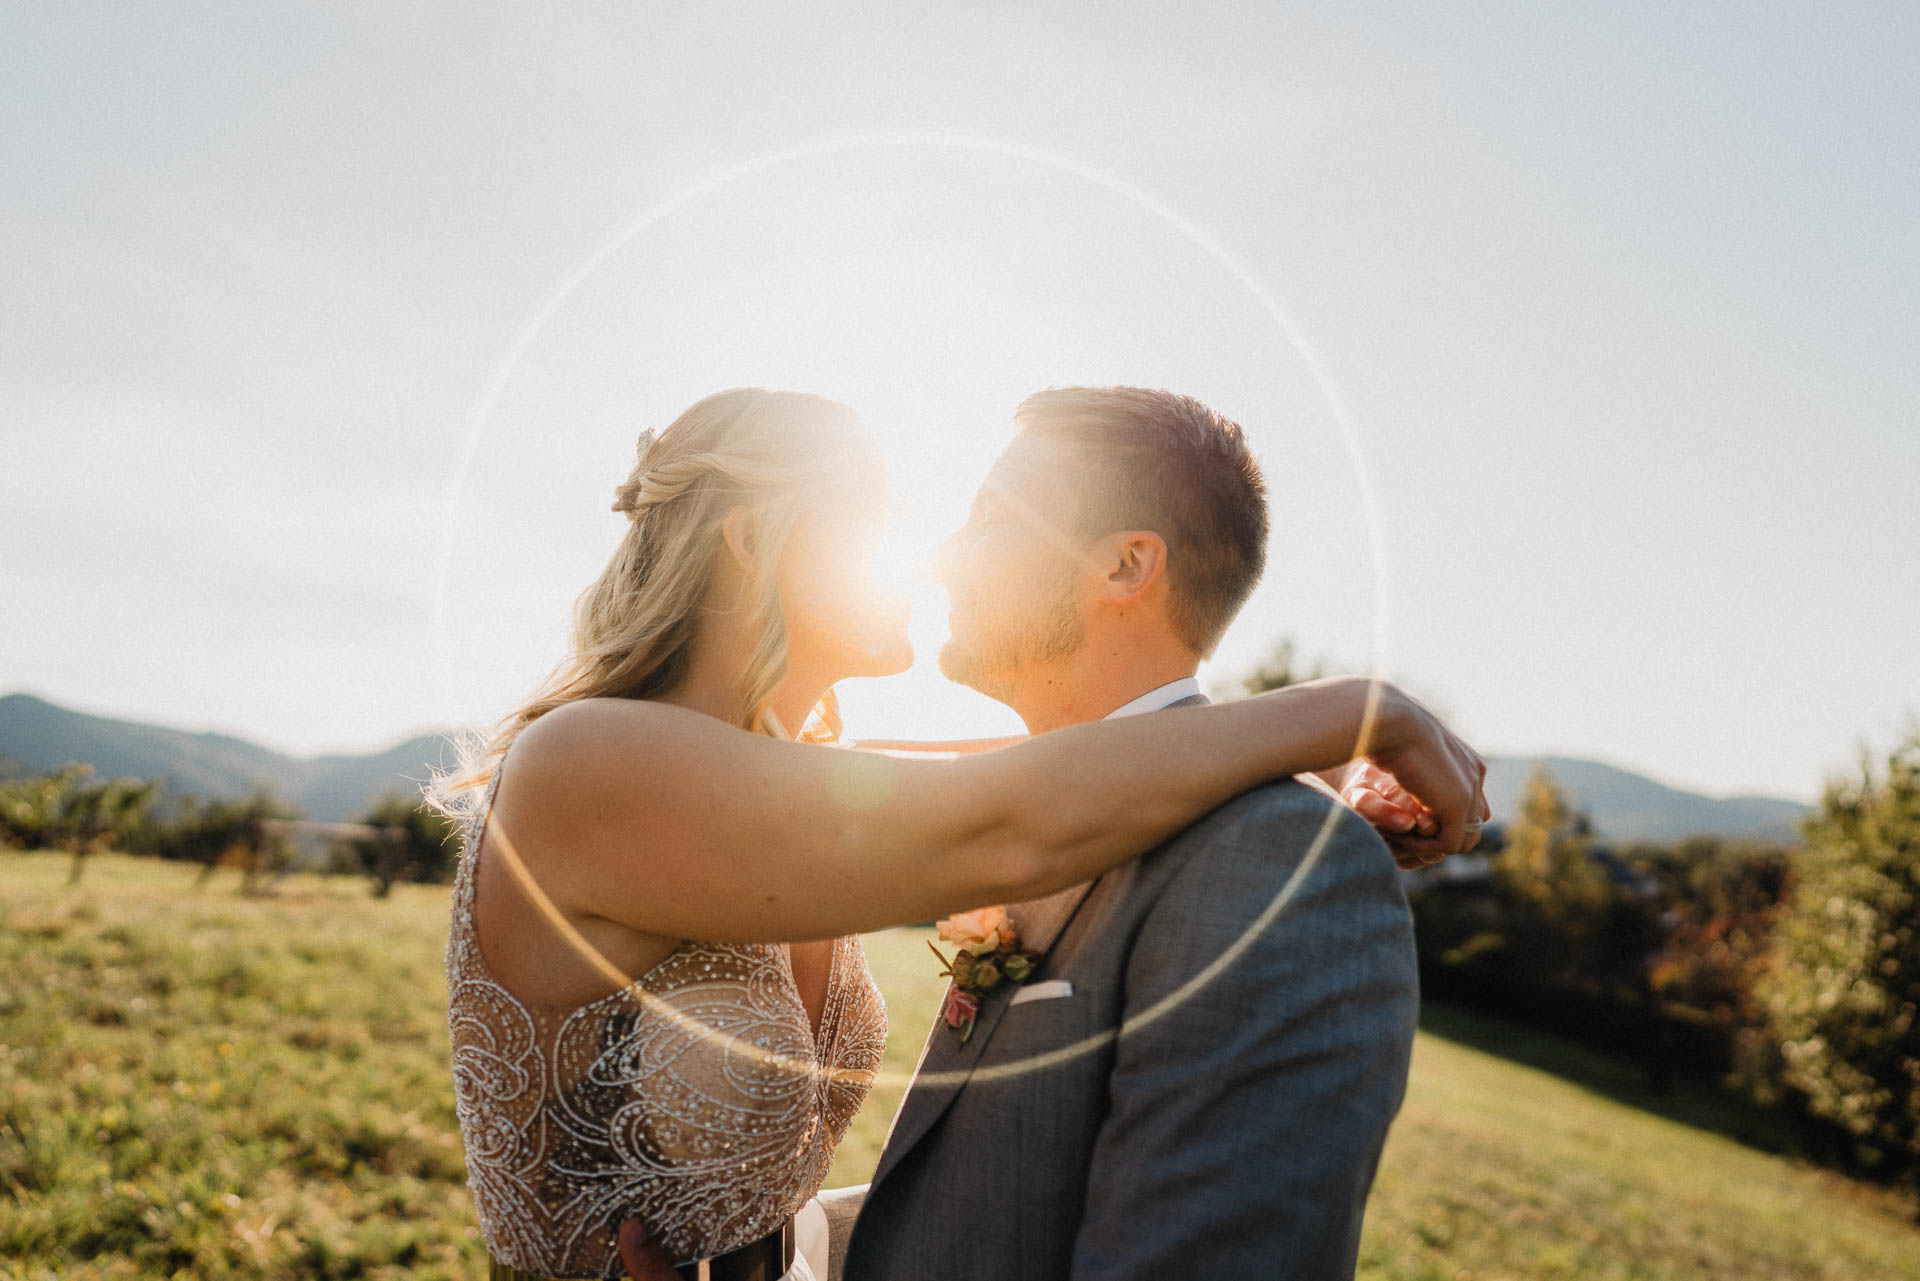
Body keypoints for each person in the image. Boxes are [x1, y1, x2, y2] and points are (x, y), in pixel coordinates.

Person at [441, 387, 1484, 1280]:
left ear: (1127, 564)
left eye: (979, 520)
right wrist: (1357, 710)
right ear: (755, 542)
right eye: (877, 522)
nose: (932, 558)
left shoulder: (807, 790)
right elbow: (1008, 819)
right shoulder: (591, 765)